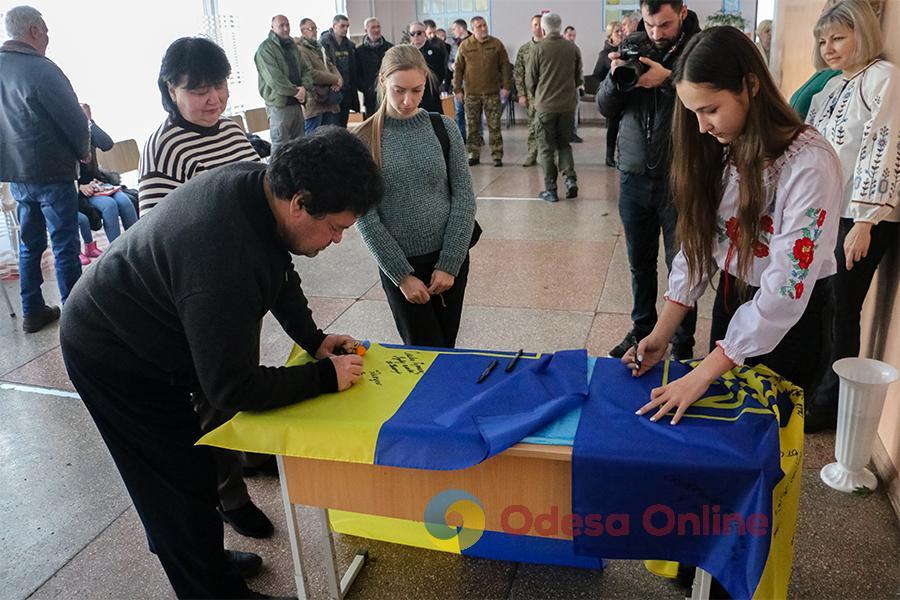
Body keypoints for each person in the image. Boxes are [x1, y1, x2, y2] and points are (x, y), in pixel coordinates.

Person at [61, 129, 384, 599]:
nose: (336, 240)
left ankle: (203, 555)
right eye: (335, 227)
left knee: (193, 471)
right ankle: (207, 586)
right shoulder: (222, 258)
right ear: (301, 202)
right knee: (173, 486)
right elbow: (231, 388)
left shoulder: (262, 187)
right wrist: (322, 378)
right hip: (113, 352)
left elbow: (279, 271)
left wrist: (314, 340)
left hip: (160, 325)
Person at [626, 26, 842, 431]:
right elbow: (699, 247)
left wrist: (703, 373)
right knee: (726, 424)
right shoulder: (724, 146)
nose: (702, 126)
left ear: (751, 86)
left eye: (710, 109)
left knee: (770, 435)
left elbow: (784, 293)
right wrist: (661, 334)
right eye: (693, 113)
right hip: (734, 302)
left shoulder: (809, 164)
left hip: (792, 319)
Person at [804, 0, 900, 432]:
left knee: (844, 305)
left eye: (839, 37)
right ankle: (817, 386)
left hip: (862, 217)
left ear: (864, 32)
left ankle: (831, 405)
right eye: (824, 40)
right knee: (822, 302)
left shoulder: (883, 78)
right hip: (829, 212)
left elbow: (882, 147)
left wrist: (863, 221)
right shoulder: (831, 85)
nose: (829, 47)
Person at [597, 0, 701, 360]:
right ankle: (642, 329)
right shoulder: (633, 48)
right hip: (634, 175)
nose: (656, 33)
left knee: (683, 267)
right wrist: (617, 79)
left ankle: (681, 342)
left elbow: (709, 102)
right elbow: (604, 107)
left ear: (683, 13)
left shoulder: (700, 49)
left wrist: (668, 80)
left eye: (665, 25)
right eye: (650, 24)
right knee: (639, 263)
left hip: (680, 178)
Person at [355, 45, 476, 348]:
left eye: (417, 90)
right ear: (383, 81)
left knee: (446, 349)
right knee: (422, 351)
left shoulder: (443, 128)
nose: (407, 101)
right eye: (398, 90)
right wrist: (401, 275)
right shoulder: (365, 138)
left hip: (449, 258)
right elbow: (366, 218)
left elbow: (464, 197)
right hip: (400, 264)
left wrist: (450, 262)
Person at [0, 5, 88, 333]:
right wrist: (83, 151)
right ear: (34, 31)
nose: (48, 37)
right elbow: (75, 121)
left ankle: (32, 311)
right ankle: (77, 315)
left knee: (30, 243)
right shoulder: (42, 69)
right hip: (52, 171)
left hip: (17, 175)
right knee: (65, 243)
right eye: (46, 30)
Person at [139, 38, 258, 214]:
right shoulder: (162, 150)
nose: (215, 99)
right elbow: (156, 236)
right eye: (200, 91)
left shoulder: (231, 129)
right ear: (172, 90)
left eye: (220, 85)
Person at [526, 13, 583, 203]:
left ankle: (551, 189)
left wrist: (539, 96)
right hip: (567, 106)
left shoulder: (539, 49)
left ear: (543, 29)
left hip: (545, 107)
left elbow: (530, 80)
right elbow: (578, 78)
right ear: (560, 26)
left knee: (546, 149)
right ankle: (570, 180)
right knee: (564, 144)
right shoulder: (572, 48)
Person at [453, 16, 512, 167]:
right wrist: (458, 90)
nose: (483, 28)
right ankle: (473, 154)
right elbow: (458, 69)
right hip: (472, 94)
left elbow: (505, 66)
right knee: (472, 126)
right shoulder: (465, 46)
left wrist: (506, 86)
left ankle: (497, 155)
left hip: (492, 93)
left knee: (494, 126)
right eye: (479, 26)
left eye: (484, 25)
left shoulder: (496, 44)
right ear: (472, 30)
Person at [77, 104, 138, 243]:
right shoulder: (64, 136)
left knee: (125, 202)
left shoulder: (87, 132)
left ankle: (137, 244)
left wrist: (89, 121)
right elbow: (63, 171)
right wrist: (80, 186)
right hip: (80, 190)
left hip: (99, 183)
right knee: (109, 206)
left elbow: (107, 144)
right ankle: (115, 251)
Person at [255, 14, 314, 154]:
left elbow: (306, 70)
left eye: (287, 24)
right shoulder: (265, 49)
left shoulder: (292, 47)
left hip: (296, 104)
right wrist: (296, 91)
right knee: (280, 149)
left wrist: (305, 88)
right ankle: (277, 177)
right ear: (272, 27)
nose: (286, 28)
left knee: (300, 147)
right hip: (279, 105)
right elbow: (274, 79)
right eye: (281, 25)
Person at [296, 18, 343, 135]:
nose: (315, 31)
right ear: (302, 31)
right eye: (311, 28)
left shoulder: (319, 48)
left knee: (331, 138)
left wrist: (339, 81)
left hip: (329, 99)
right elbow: (311, 73)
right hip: (314, 101)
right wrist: (334, 79)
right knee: (313, 139)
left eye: (315, 28)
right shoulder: (300, 50)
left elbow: (331, 65)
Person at [514, 14, 545, 167]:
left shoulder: (551, 47)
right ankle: (532, 154)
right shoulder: (525, 49)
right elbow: (518, 73)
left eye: (541, 24)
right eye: (535, 24)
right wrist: (521, 94)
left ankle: (552, 157)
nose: (538, 27)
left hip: (549, 96)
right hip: (532, 96)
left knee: (551, 128)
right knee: (533, 127)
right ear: (531, 27)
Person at [320, 14, 360, 127]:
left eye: (347, 26)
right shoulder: (324, 43)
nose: (346, 29)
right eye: (342, 26)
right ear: (334, 26)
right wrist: (332, 82)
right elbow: (323, 66)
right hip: (332, 90)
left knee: (343, 123)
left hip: (346, 89)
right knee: (332, 124)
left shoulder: (350, 45)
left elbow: (353, 69)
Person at [594, 21, 623, 167]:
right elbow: (597, 75)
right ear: (610, 36)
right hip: (613, 96)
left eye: (622, 31)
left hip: (627, 95)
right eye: (617, 31)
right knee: (613, 127)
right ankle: (609, 156)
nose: (620, 34)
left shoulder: (626, 51)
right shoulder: (604, 54)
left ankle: (622, 156)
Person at [356, 17, 393, 118]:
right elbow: (357, 74)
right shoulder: (359, 51)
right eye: (373, 27)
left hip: (388, 95)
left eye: (378, 27)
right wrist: (366, 88)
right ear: (365, 30)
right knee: (371, 126)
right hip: (370, 97)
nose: (376, 30)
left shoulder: (390, 48)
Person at [409, 21, 447, 114]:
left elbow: (440, 73)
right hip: (411, 95)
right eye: (412, 34)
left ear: (424, 33)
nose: (416, 36)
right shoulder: (406, 52)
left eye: (419, 33)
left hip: (430, 94)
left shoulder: (435, 50)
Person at [449, 19, 472, 141]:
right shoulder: (455, 44)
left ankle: (478, 136)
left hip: (472, 82)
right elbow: (449, 61)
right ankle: (462, 137)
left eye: (454, 28)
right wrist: (452, 65)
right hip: (457, 82)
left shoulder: (473, 41)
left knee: (473, 112)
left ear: (461, 28)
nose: (453, 31)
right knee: (459, 112)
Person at [562, 26, 585, 143]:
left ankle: (573, 133)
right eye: (569, 35)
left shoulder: (576, 49)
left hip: (574, 84)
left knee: (574, 110)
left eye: (573, 35)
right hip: (561, 86)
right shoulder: (559, 49)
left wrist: (581, 84)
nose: (571, 38)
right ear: (564, 35)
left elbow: (580, 68)